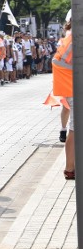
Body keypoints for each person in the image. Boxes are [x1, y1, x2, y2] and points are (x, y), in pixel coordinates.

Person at [51, 16, 73, 179]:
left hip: (69, 85)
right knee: (75, 128)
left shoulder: (70, 36)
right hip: (72, 85)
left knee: (75, 127)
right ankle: (70, 168)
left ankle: (71, 167)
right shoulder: (74, 38)